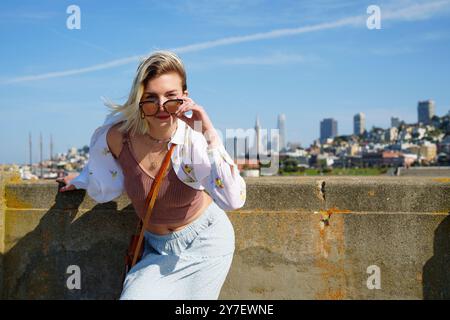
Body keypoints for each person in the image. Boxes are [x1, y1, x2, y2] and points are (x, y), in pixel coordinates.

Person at [56, 50, 246, 299]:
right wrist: (80, 180)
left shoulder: (194, 139)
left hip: (206, 242)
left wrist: (209, 130)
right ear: (139, 101)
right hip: (157, 248)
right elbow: (104, 170)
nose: (161, 107)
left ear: (185, 98)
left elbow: (233, 199)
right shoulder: (118, 138)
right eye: (151, 98)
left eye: (171, 97)